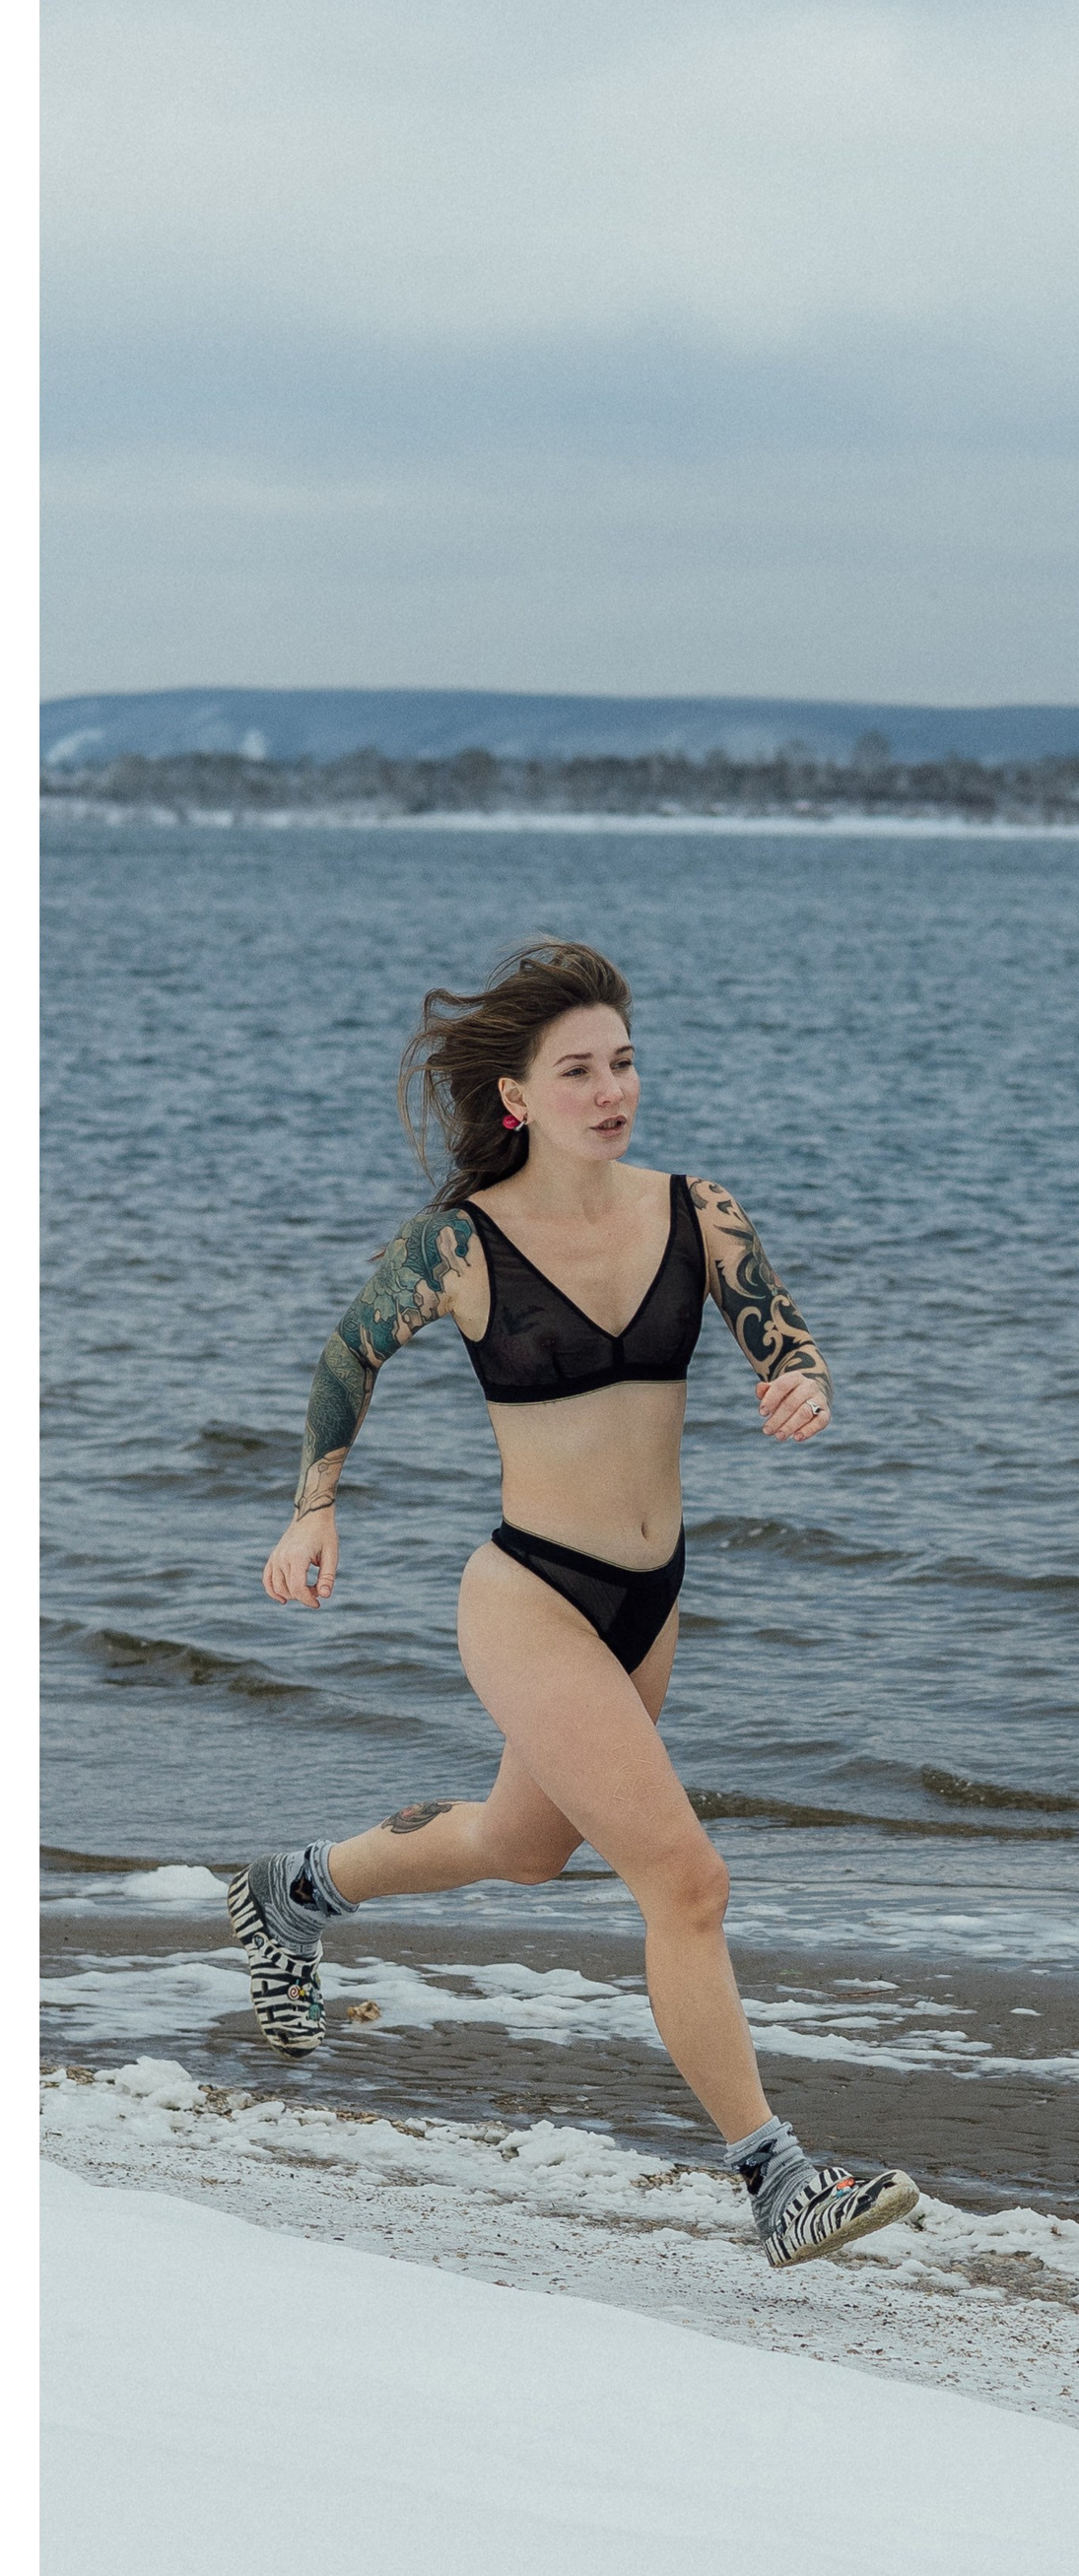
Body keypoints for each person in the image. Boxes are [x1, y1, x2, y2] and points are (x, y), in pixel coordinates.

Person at [229, 936, 918, 2270]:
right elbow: (347, 1356)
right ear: (517, 1101)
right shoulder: (463, 1246)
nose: (613, 1091)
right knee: (686, 1878)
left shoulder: (696, 1214)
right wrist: (316, 1503)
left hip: (648, 1595)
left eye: (625, 1063)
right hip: (531, 1596)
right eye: (580, 1071)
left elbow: (785, 1333)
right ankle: (778, 2182)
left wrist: (804, 1385)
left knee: (526, 1845)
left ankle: (297, 1890)